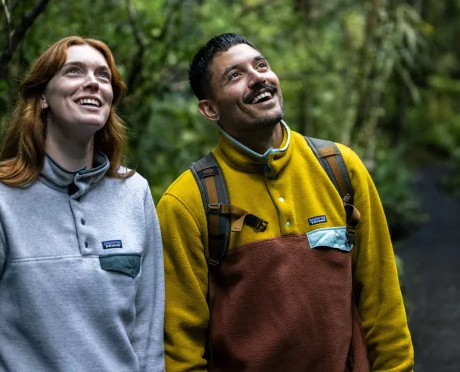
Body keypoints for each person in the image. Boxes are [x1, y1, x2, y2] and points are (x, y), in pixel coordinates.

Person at [157, 33, 414, 371]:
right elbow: (182, 350)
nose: (258, 78)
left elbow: (382, 301)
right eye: (235, 75)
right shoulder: (187, 203)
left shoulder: (341, 169)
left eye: (261, 65)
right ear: (209, 109)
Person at [0, 36, 164, 371]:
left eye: (103, 76)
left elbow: (148, 338)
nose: (92, 83)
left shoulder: (134, 193)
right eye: (74, 71)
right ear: (42, 97)